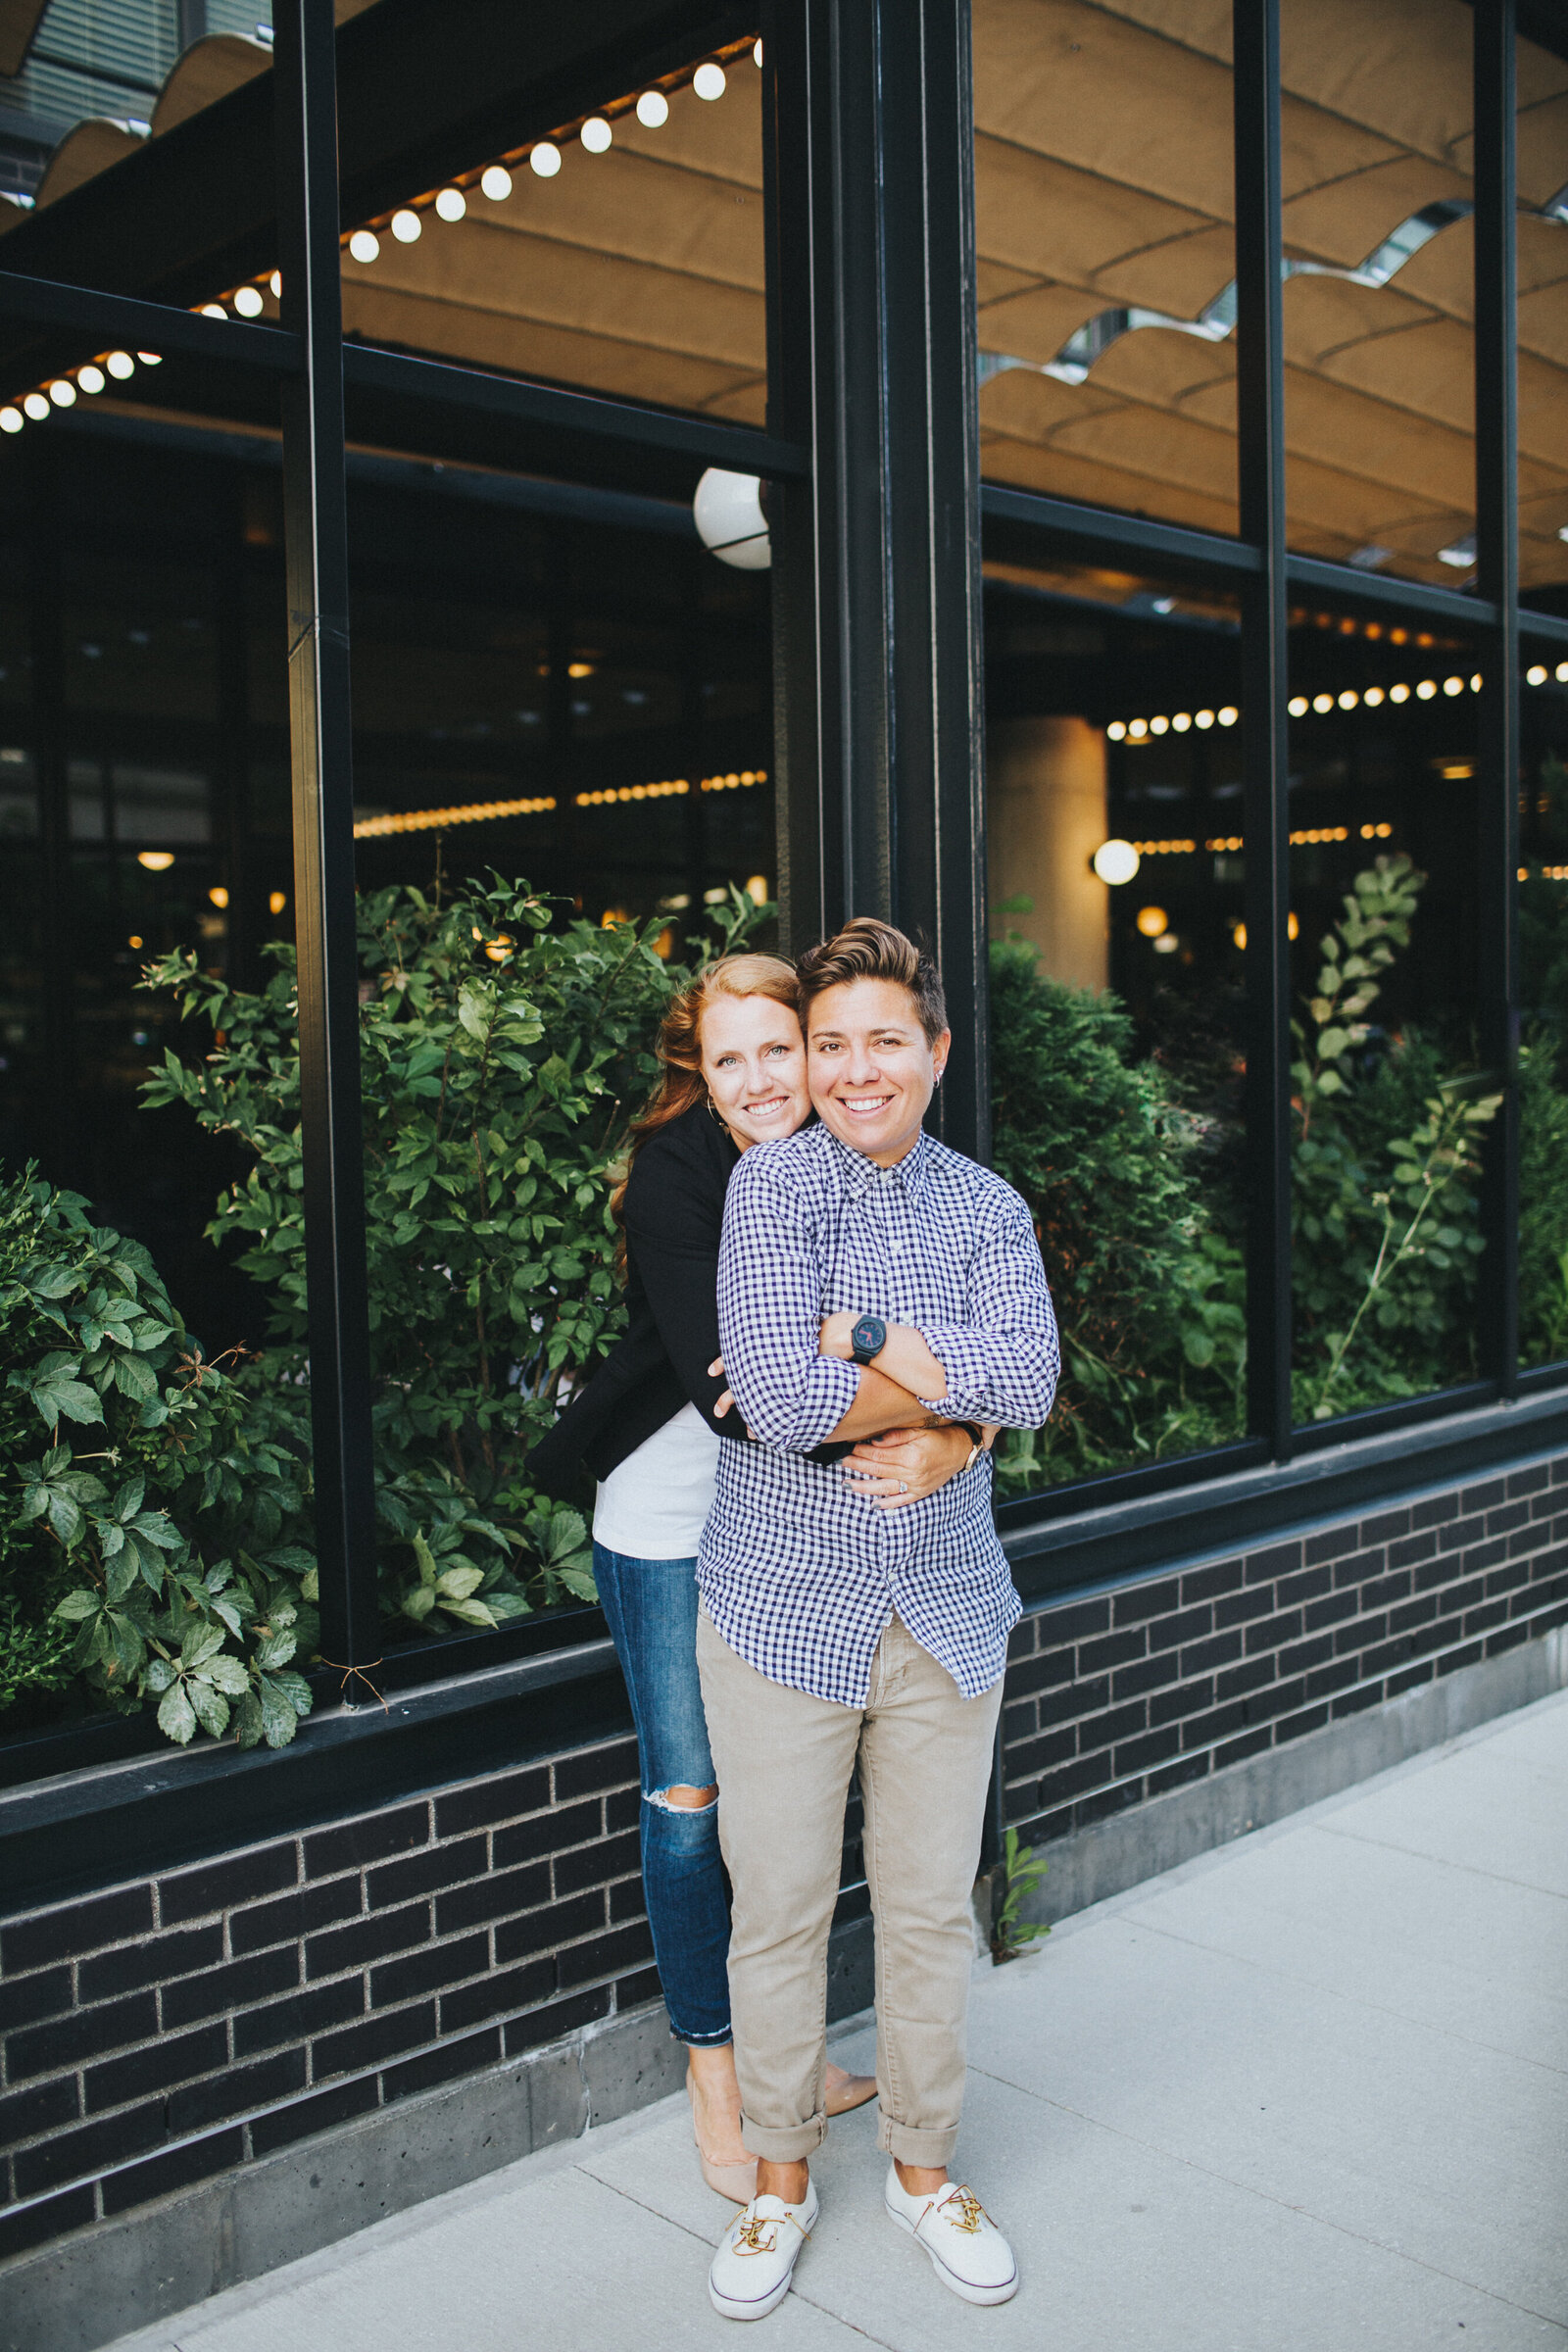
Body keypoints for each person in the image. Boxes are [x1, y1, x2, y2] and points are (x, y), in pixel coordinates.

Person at [526, 953, 983, 2202]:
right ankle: (716, 2070)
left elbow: (977, 1338)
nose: (765, 1079)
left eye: (782, 1049)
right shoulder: (685, 1176)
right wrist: (958, 1409)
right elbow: (752, 1406)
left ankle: (789, 2064)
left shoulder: (864, 1151)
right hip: (679, 1512)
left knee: (788, 1825)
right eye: (730, 1062)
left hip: (798, 1527)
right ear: (702, 1077)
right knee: (690, 1794)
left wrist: (971, 1425)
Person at [698, 917, 1058, 2322]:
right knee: (779, 1914)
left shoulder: (989, 1208)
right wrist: (956, 1399)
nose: (855, 1071)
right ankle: (778, 2185)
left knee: (922, 1912)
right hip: (784, 1611)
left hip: (949, 1611)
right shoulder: (775, 1192)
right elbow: (778, 1411)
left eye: (883, 1042)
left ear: (935, 1053)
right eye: (831, 1042)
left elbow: (1032, 1375)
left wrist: (895, 1371)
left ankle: (924, 2172)